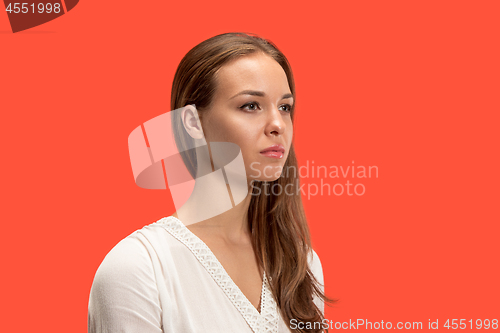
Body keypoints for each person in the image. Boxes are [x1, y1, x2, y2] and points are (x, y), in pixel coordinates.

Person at [88, 32, 334, 333]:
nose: (278, 125)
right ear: (192, 123)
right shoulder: (139, 268)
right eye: (250, 106)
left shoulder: (301, 264)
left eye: (284, 107)